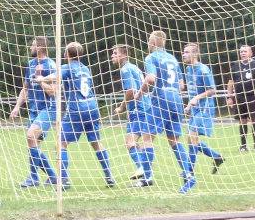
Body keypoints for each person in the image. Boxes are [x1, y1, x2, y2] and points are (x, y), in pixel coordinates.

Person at [37, 42, 115, 189]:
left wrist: (41, 79)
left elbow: (54, 77)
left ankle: (64, 180)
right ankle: (109, 176)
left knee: (61, 144)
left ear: (66, 54)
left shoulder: (67, 67)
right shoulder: (85, 69)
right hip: (93, 107)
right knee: (96, 143)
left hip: (77, 109)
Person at [135, 31, 196, 194]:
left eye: (149, 40)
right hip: (176, 99)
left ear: (154, 43)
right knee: (174, 140)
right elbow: (181, 85)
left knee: (147, 136)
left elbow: (150, 79)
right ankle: (189, 174)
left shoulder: (151, 58)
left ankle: (147, 177)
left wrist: (140, 93)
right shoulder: (173, 59)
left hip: (161, 99)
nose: (148, 43)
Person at [10, 36, 58, 187]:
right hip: (34, 110)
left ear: (40, 48)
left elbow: (52, 92)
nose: (30, 48)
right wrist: (17, 106)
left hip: (48, 108)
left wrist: (40, 78)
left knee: (31, 137)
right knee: (33, 143)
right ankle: (52, 177)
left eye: (32, 45)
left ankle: (34, 177)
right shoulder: (30, 64)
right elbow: (26, 88)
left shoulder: (51, 65)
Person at [111, 45, 159, 187]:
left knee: (131, 142)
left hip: (139, 109)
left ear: (123, 55)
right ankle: (146, 176)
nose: (112, 56)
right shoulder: (134, 68)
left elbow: (131, 91)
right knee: (135, 143)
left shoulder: (126, 69)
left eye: (115, 53)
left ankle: (143, 169)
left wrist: (121, 107)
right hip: (141, 108)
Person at [183, 43, 225, 175]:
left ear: (195, 54)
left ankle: (189, 171)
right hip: (195, 109)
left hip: (205, 108)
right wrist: (189, 105)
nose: (183, 54)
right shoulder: (188, 69)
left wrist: (196, 98)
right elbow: (192, 89)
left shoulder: (204, 70)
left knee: (192, 136)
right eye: (183, 52)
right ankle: (217, 157)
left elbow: (212, 90)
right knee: (191, 139)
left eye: (187, 52)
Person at [226, 45, 255, 152]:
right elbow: (231, 82)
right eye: (241, 52)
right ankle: (243, 146)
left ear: (251, 53)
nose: (243, 53)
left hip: (252, 97)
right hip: (239, 97)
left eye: (245, 51)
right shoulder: (235, 65)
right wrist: (229, 96)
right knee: (242, 120)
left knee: (254, 120)